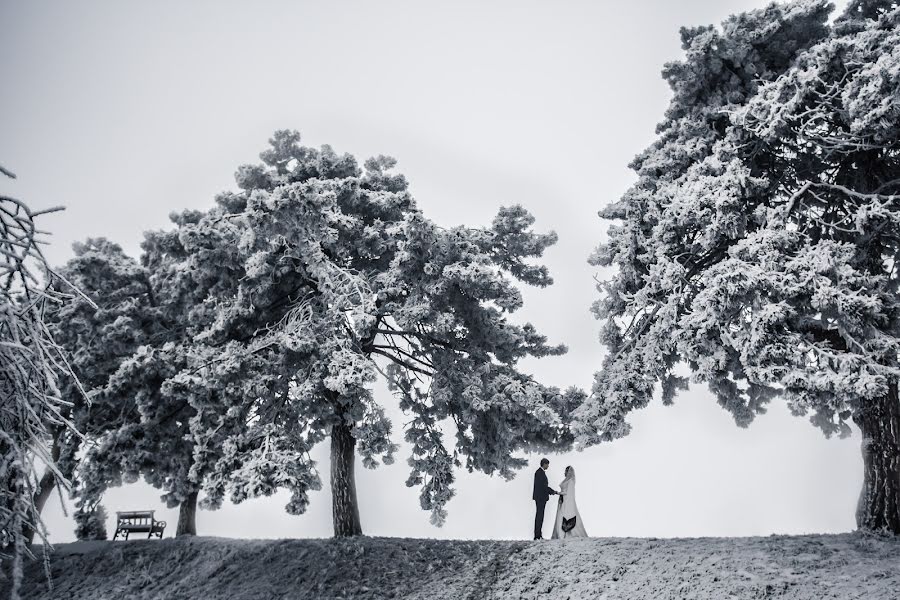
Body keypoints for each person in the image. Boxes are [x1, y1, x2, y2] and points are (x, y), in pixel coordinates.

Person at [551, 465, 588, 539]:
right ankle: (559, 533)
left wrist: (558, 493)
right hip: (562, 500)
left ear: (568, 472)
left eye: (565, 471)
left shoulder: (570, 481)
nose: (564, 473)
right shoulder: (567, 481)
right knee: (560, 516)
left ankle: (565, 534)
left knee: (564, 516)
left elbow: (568, 493)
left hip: (567, 501)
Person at [532, 457, 557, 540]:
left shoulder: (540, 472)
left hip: (540, 497)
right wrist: (553, 492)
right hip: (540, 498)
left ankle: (538, 535)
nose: (548, 466)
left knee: (540, 516)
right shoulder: (540, 473)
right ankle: (537, 535)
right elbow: (543, 487)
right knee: (540, 516)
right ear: (544, 464)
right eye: (547, 464)